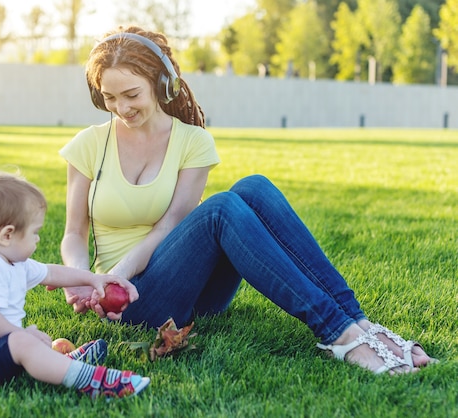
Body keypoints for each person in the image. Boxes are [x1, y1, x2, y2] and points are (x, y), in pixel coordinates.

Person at [58, 26, 437, 375]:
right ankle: (342, 334)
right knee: (222, 209)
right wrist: (82, 276)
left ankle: (358, 323)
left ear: (161, 84)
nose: (122, 108)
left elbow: (170, 224)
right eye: (109, 97)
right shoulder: (90, 144)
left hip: (190, 289)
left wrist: (118, 270)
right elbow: (74, 232)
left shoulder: (192, 141)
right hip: (133, 304)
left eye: (131, 94)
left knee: (253, 187)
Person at [0, 171, 150, 399]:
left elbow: (52, 273)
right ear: (7, 235)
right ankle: (93, 381)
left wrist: (93, 279)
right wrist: (21, 334)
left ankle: (61, 364)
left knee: (23, 341)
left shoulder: (12, 262)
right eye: (34, 232)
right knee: (22, 341)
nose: (38, 239)